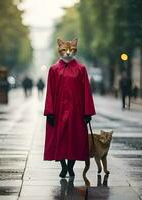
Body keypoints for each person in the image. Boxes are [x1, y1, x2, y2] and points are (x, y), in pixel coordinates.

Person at [44, 38, 95, 178]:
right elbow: (50, 92)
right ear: (59, 50)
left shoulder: (81, 69)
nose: (67, 53)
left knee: (75, 139)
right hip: (58, 110)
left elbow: (86, 91)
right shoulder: (53, 69)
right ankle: (63, 166)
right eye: (64, 50)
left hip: (76, 111)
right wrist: (50, 112)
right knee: (59, 138)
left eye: (71, 50)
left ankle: (71, 167)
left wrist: (87, 112)